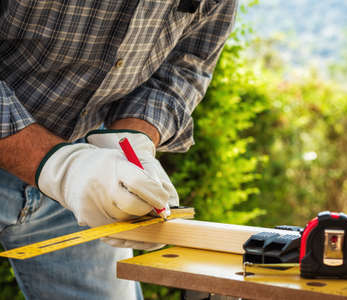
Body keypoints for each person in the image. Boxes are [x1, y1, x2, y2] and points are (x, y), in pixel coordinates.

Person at [0, 0, 237, 298]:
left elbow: (187, 65)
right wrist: (59, 167)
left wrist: (133, 141)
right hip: (74, 169)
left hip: (87, 175)